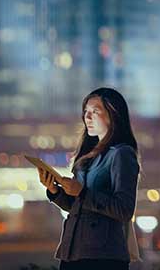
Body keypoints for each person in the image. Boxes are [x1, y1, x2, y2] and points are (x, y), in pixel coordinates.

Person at [36, 87, 141, 270]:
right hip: (73, 252)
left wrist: (82, 192)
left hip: (103, 255)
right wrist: (55, 191)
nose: (88, 117)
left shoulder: (121, 154)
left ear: (113, 114)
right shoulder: (88, 156)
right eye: (86, 112)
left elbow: (124, 209)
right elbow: (79, 207)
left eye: (95, 112)